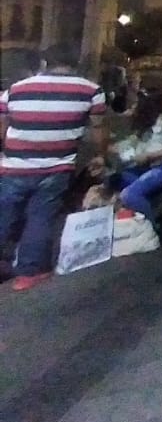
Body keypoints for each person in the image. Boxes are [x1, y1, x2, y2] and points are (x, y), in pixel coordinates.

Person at [0, 42, 108, 291]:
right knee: (41, 217)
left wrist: (10, 150)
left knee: (4, 214)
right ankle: (29, 273)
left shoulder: (15, 90)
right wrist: (99, 156)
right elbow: (98, 129)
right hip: (57, 167)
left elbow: (4, 126)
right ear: (75, 64)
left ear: (44, 63)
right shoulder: (92, 91)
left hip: (14, 165)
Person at [111, 91, 162, 223]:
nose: (131, 109)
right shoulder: (143, 126)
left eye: (135, 106)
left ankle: (154, 227)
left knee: (129, 195)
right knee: (114, 179)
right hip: (145, 169)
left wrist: (151, 156)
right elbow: (129, 150)